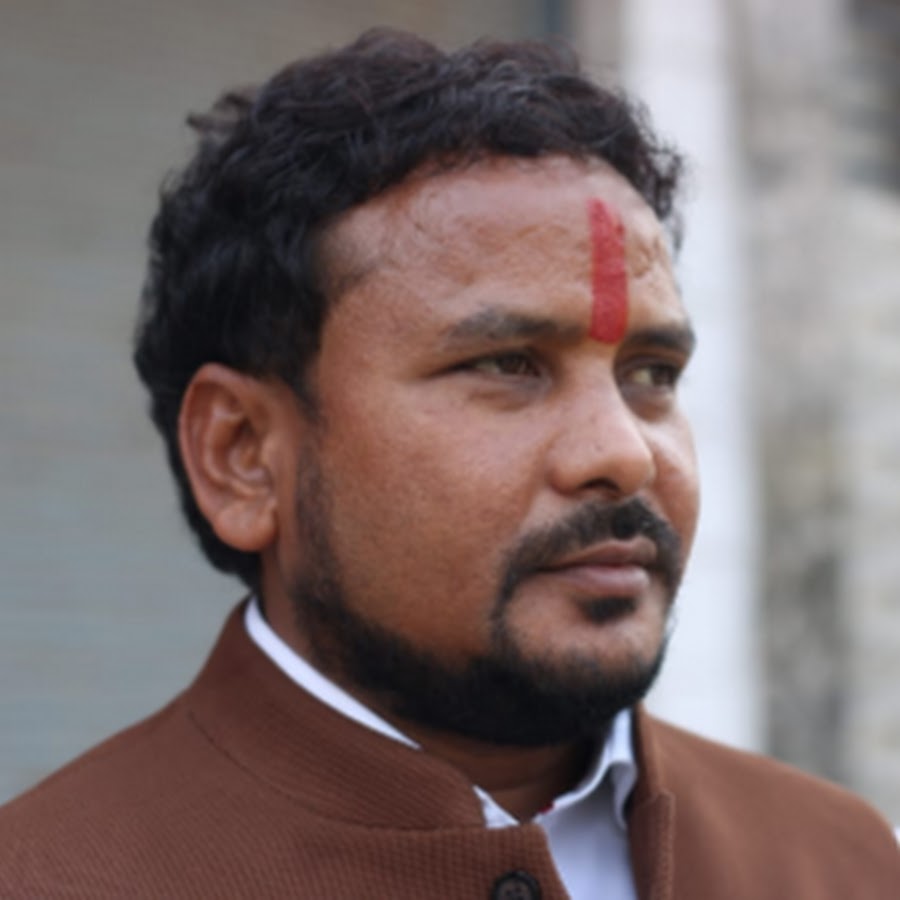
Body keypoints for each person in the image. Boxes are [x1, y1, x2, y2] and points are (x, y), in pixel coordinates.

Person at [0, 28, 896, 900]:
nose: (625, 452)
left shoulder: (839, 863)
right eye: (507, 366)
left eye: (652, 375)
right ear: (243, 456)